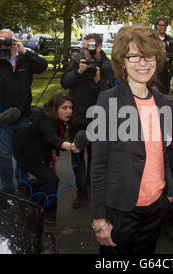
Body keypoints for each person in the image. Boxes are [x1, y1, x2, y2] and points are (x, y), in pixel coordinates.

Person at [90, 24, 173, 254]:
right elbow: (98, 164)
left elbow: (165, 153)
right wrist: (99, 219)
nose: (143, 63)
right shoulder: (107, 100)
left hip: (156, 207)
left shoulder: (165, 103)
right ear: (122, 62)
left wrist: (169, 193)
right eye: (134, 56)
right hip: (120, 208)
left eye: (148, 55)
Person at [0, 29, 48, 195]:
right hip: (1, 118)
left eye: (8, 40)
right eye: (1, 41)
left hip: (22, 116)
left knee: (23, 155)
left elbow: (43, 66)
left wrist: (24, 51)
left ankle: (22, 185)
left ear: (15, 41)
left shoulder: (24, 59)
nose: (4, 44)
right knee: (4, 156)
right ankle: (7, 190)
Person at [61, 33, 115, 209]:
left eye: (89, 48)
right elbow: (65, 83)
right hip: (77, 116)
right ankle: (81, 191)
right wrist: (78, 72)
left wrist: (98, 79)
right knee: (77, 155)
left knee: (95, 157)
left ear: (99, 48)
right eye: (84, 48)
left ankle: (93, 190)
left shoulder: (107, 65)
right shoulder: (77, 61)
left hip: (98, 116)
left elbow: (110, 93)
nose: (85, 52)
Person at [13, 93, 80, 225]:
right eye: (64, 108)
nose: (69, 111)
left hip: (40, 152)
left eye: (70, 108)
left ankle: (42, 207)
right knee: (51, 180)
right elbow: (53, 139)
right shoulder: (46, 121)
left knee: (49, 180)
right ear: (55, 109)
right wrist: (72, 146)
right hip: (26, 153)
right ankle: (31, 208)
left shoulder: (59, 120)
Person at [156, 17, 173, 95]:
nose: (163, 27)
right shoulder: (152, 39)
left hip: (166, 73)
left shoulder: (170, 40)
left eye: (164, 25)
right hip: (154, 72)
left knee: (165, 95)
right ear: (157, 26)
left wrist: (166, 53)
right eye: (161, 25)